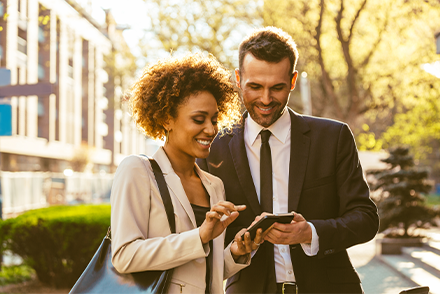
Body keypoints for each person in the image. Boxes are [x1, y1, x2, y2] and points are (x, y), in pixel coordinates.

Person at [197, 27, 380, 294]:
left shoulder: (333, 137)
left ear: (293, 81)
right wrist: (236, 248)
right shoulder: (214, 147)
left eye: (277, 88)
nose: (266, 99)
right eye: (255, 87)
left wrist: (311, 233)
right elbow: (203, 232)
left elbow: (365, 219)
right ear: (238, 79)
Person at [110, 53, 263, 294]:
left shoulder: (214, 185)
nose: (211, 129)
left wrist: (235, 253)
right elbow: (124, 256)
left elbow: (200, 273)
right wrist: (200, 236)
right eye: (198, 119)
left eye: (214, 119)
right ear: (166, 119)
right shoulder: (138, 171)